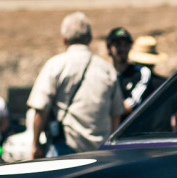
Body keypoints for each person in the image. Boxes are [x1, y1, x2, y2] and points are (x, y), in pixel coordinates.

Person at [27, 12, 123, 158]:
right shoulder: (107, 69)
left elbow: (41, 109)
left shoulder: (55, 65)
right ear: (90, 38)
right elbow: (116, 113)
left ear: (64, 39)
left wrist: (35, 145)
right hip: (100, 150)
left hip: (65, 147)